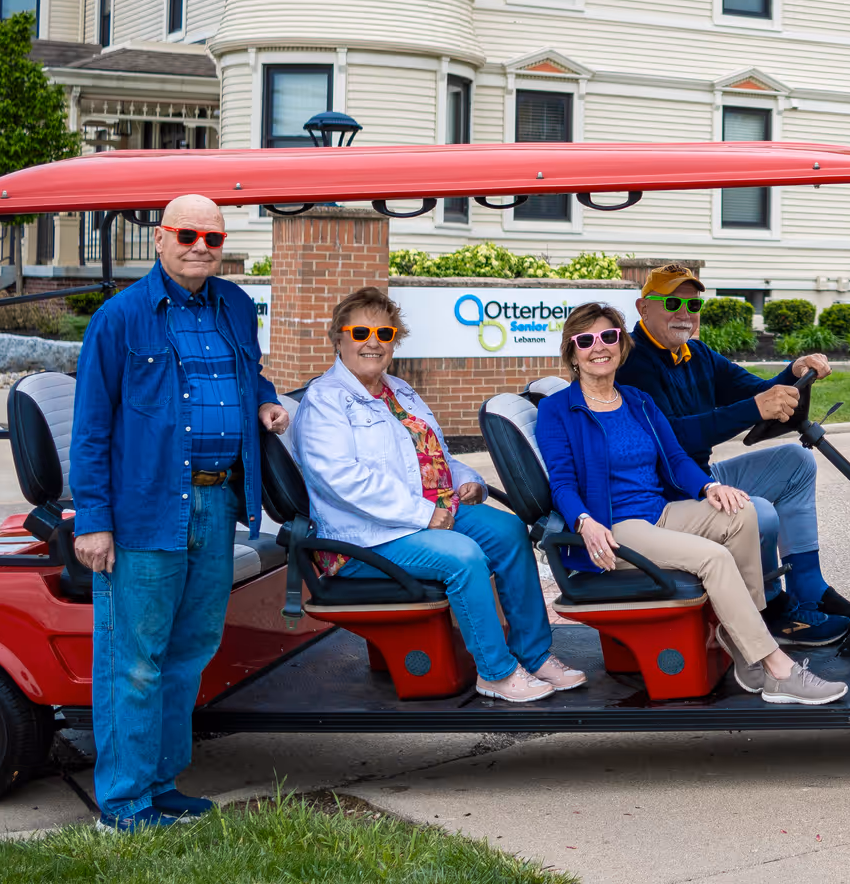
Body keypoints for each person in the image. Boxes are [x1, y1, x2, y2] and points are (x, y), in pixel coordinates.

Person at [70, 195, 291, 831]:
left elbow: (247, 376)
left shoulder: (236, 306)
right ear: (162, 239)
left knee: (191, 650)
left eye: (213, 238)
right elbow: (91, 429)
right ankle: (123, 802)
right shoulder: (120, 319)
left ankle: (162, 785)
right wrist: (93, 519)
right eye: (188, 235)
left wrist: (266, 403)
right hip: (144, 510)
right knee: (135, 661)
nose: (201, 247)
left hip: (218, 501)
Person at [535, 302, 848, 705]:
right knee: (714, 557)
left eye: (609, 336)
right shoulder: (558, 410)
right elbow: (560, 482)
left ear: (621, 343)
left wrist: (707, 489)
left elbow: (677, 459)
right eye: (586, 340)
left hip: (659, 512)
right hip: (615, 528)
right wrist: (583, 521)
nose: (599, 347)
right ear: (572, 351)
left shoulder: (637, 401)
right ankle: (777, 667)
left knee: (742, 512)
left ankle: (742, 644)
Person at [292, 287, 584, 704]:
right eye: (360, 332)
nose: (373, 341)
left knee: (507, 529)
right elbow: (341, 480)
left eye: (385, 332)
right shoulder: (326, 400)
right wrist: (423, 513)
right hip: (364, 538)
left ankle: (533, 653)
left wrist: (470, 483)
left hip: (425, 514)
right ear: (338, 338)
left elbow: (438, 455)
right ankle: (496, 673)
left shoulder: (399, 391)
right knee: (462, 556)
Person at [616, 265, 850, 646]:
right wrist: (752, 410)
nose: (685, 313)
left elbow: (755, 391)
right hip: (667, 492)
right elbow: (671, 435)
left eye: (694, 305)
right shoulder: (630, 361)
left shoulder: (696, 353)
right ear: (643, 308)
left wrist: (793, 370)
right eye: (672, 302)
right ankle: (771, 612)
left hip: (700, 474)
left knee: (797, 462)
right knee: (757, 510)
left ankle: (809, 588)